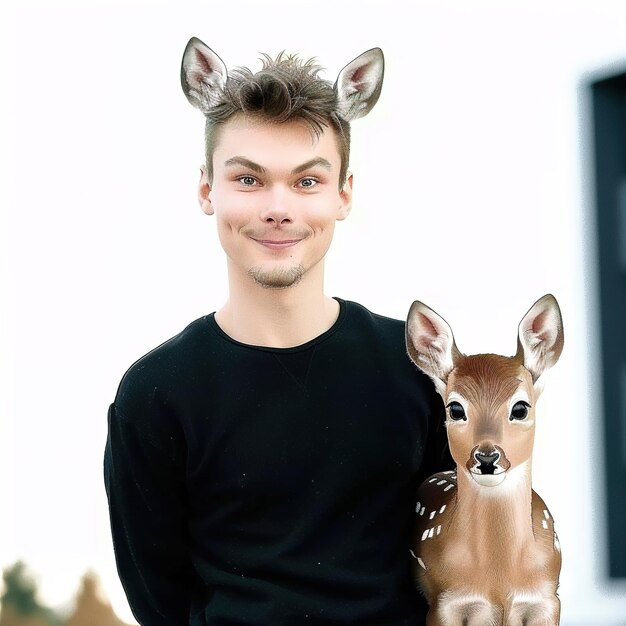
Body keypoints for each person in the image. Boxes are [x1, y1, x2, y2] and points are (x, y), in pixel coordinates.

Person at [104, 37, 452, 626]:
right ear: (206, 189)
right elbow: (160, 600)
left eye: (307, 181)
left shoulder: (420, 371)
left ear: (344, 193)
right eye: (248, 179)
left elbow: (465, 559)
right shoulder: (154, 396)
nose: (278, 206)